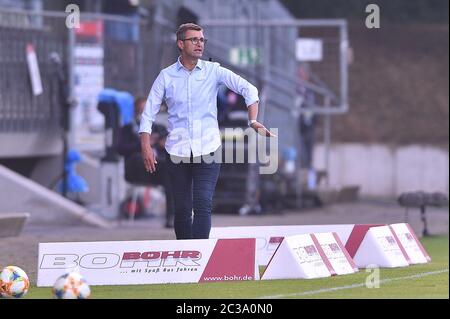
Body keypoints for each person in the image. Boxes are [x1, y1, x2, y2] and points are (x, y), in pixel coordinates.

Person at [139, 23, 276, 240]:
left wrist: (252, 120)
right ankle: (185, 258)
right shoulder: (166, 76)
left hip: (208, 148)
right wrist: (146, 146)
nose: (199, 44)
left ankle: (200, 258)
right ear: (180, 44)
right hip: (177, 151)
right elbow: (148, 113)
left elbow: (249, 89)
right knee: (182, 209)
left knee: (203, 203)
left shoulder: (214, 71)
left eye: (202, 40)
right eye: (194, 40)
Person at [118, 97, 174, 228]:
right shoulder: (127, 128)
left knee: (171, 168)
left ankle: (172, 216)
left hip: (157, 169)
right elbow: (121, 149)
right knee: (139, 158)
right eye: (141, 110)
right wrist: (143, 144)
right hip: (137, 169)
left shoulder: (159, 128)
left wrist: (162, 144)